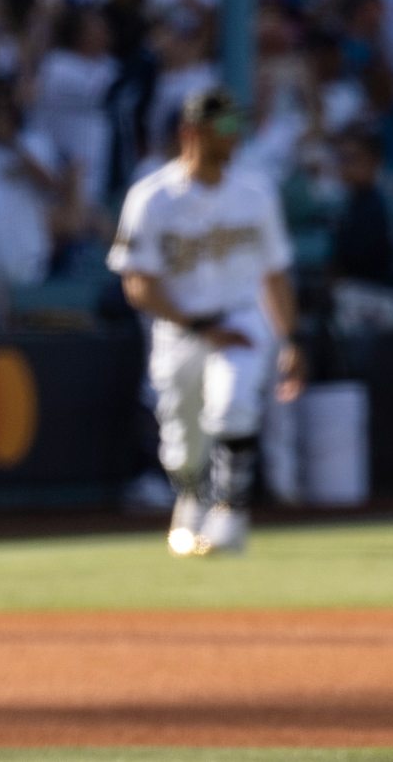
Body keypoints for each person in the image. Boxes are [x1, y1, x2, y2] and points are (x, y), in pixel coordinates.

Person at [107, 86, 304, 558]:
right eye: (225, 126)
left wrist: (290, 339)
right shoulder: (152, 197)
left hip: (240, 319)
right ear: (191, 131)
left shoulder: (255, 192)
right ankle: (191, 503)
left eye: (238, 126)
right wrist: (198, 326)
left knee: (233, 405)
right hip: (180, 328)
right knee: (181, 441)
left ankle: (230, 516)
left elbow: (275, 274)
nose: (234, 136)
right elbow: (138, 284)